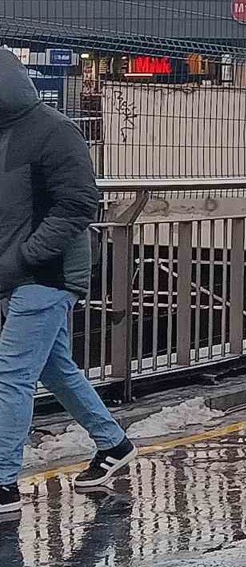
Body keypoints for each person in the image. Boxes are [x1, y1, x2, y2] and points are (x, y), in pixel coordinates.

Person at [0, 51, 138, 515]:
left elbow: (78, 204)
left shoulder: (54, 131)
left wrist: (26, 256)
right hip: (17, 273)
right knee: (54, 368)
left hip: (49, 274)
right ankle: (114, 443)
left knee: (11, 375)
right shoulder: (5, 132)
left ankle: (3, 483)